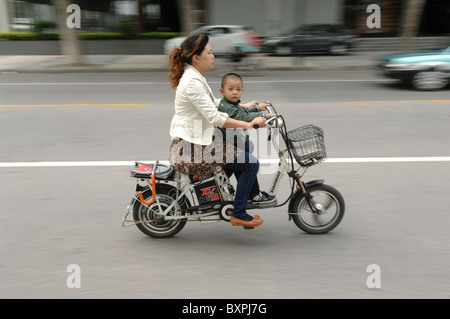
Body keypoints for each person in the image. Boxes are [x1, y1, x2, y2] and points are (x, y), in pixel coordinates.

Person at [168, 33, 266, 229]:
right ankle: (238, 213)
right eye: (210, 52)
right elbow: (215, 117)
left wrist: (244, 106)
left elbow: (214, 104)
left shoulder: (195, 77)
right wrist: (248, 124)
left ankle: (223, 190)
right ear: (196, 57)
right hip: (191, 149)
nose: (213, 56)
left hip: (198, 141)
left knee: (246, 145)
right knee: (251, 164)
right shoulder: (192, 82)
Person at [218, 72, 276, 205]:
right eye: (230, 89)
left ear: (242, 91)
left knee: (249, 145)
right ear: (222, 91)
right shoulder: (226, 106)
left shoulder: (232, 104)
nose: (235, 92)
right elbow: (243, 117)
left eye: (238, 89)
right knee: (251, 163)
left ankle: (223, 178)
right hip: (228, 145)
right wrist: (265, 116)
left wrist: (256, 107)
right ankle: (252, 196)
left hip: (234, 142)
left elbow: (242, 111)